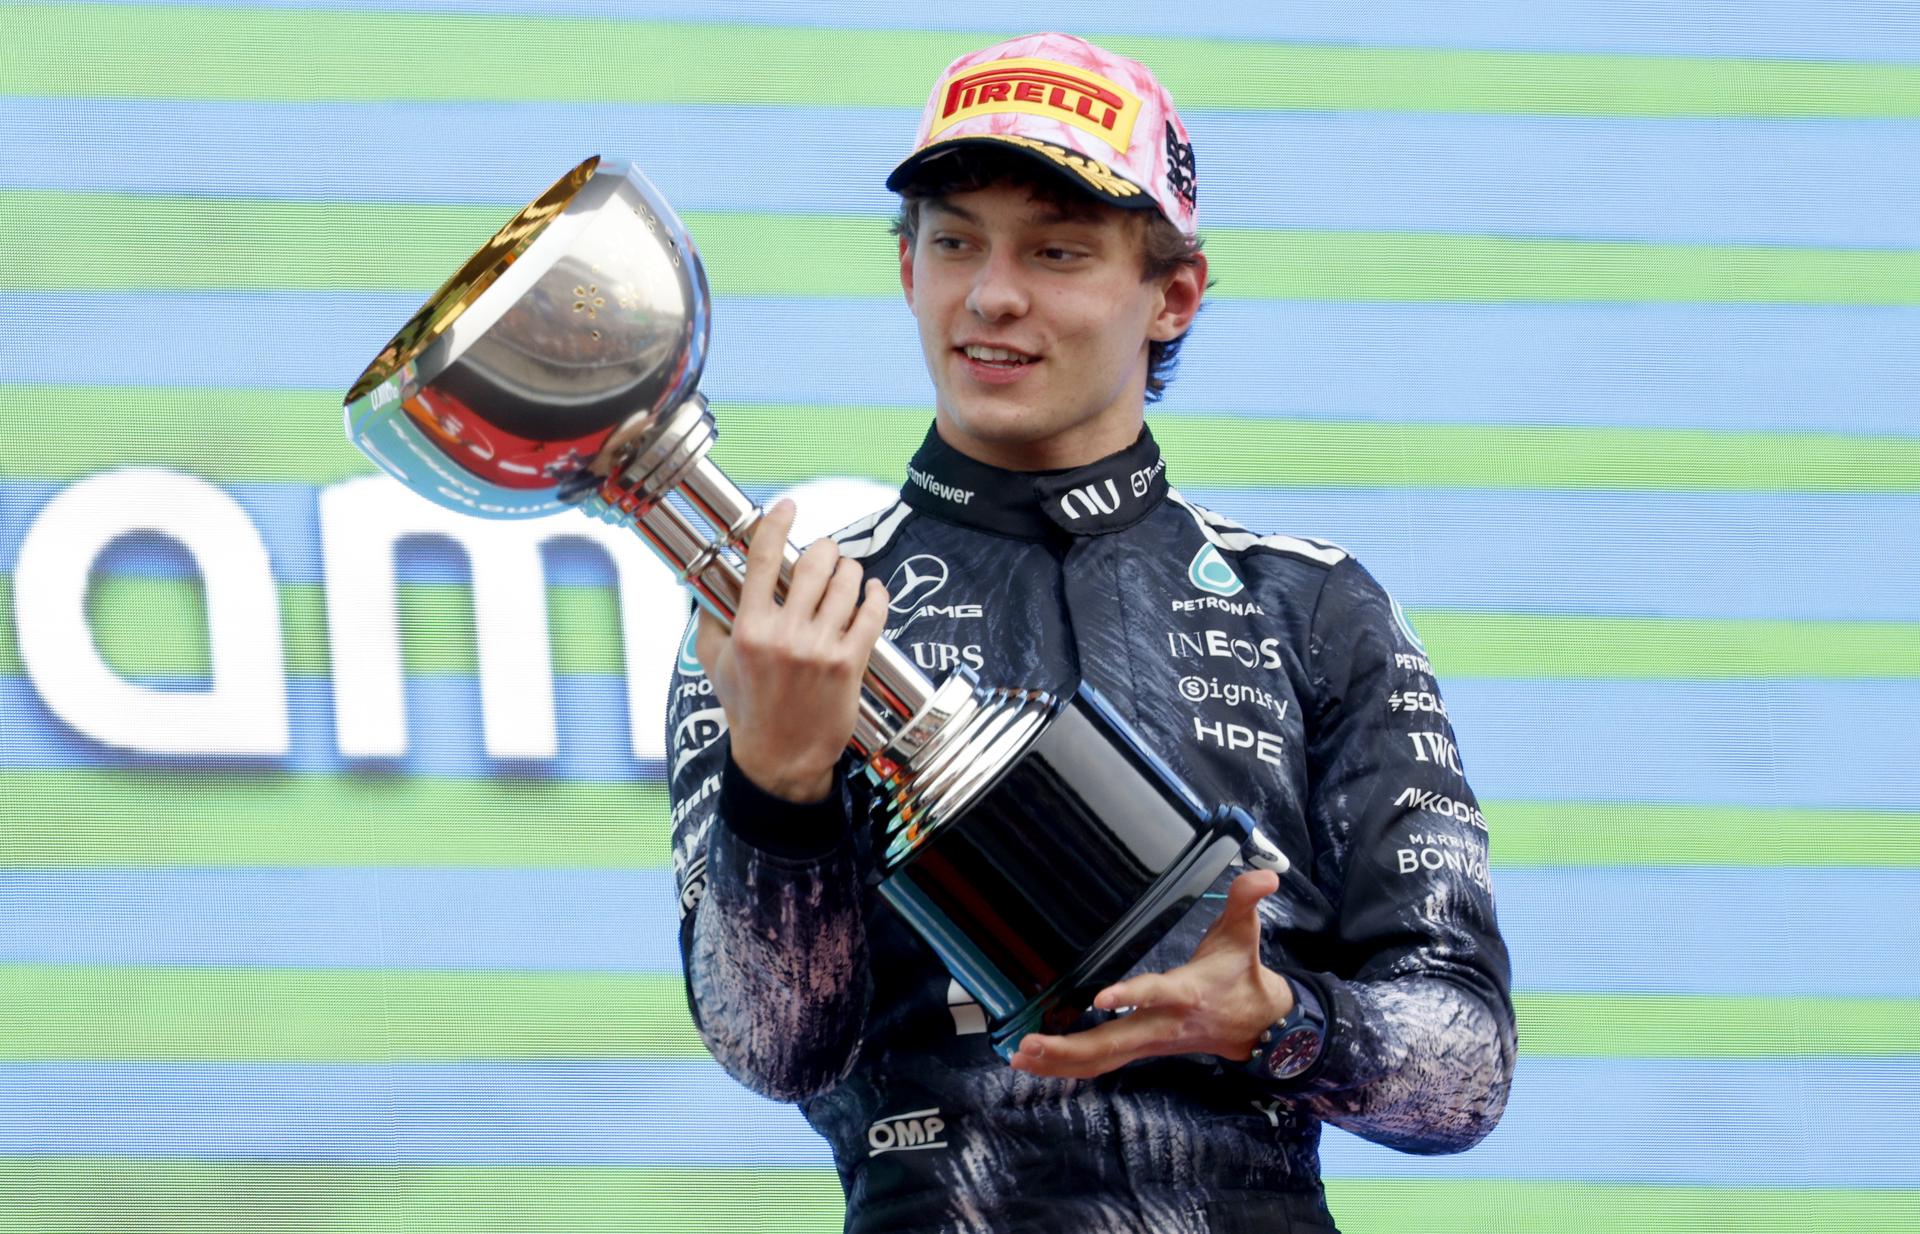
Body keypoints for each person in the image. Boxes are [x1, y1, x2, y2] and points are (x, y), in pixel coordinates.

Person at [668, 32, 1515, 1234]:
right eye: (955, 241)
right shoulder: (793, 615)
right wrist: (781, 785)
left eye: (1056, 250)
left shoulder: (1315, 609)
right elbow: (771, 1048)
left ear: (1174, 293)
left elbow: (1468, 1067)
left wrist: (1280, 1018)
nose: (992, 293)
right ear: (906, 267)